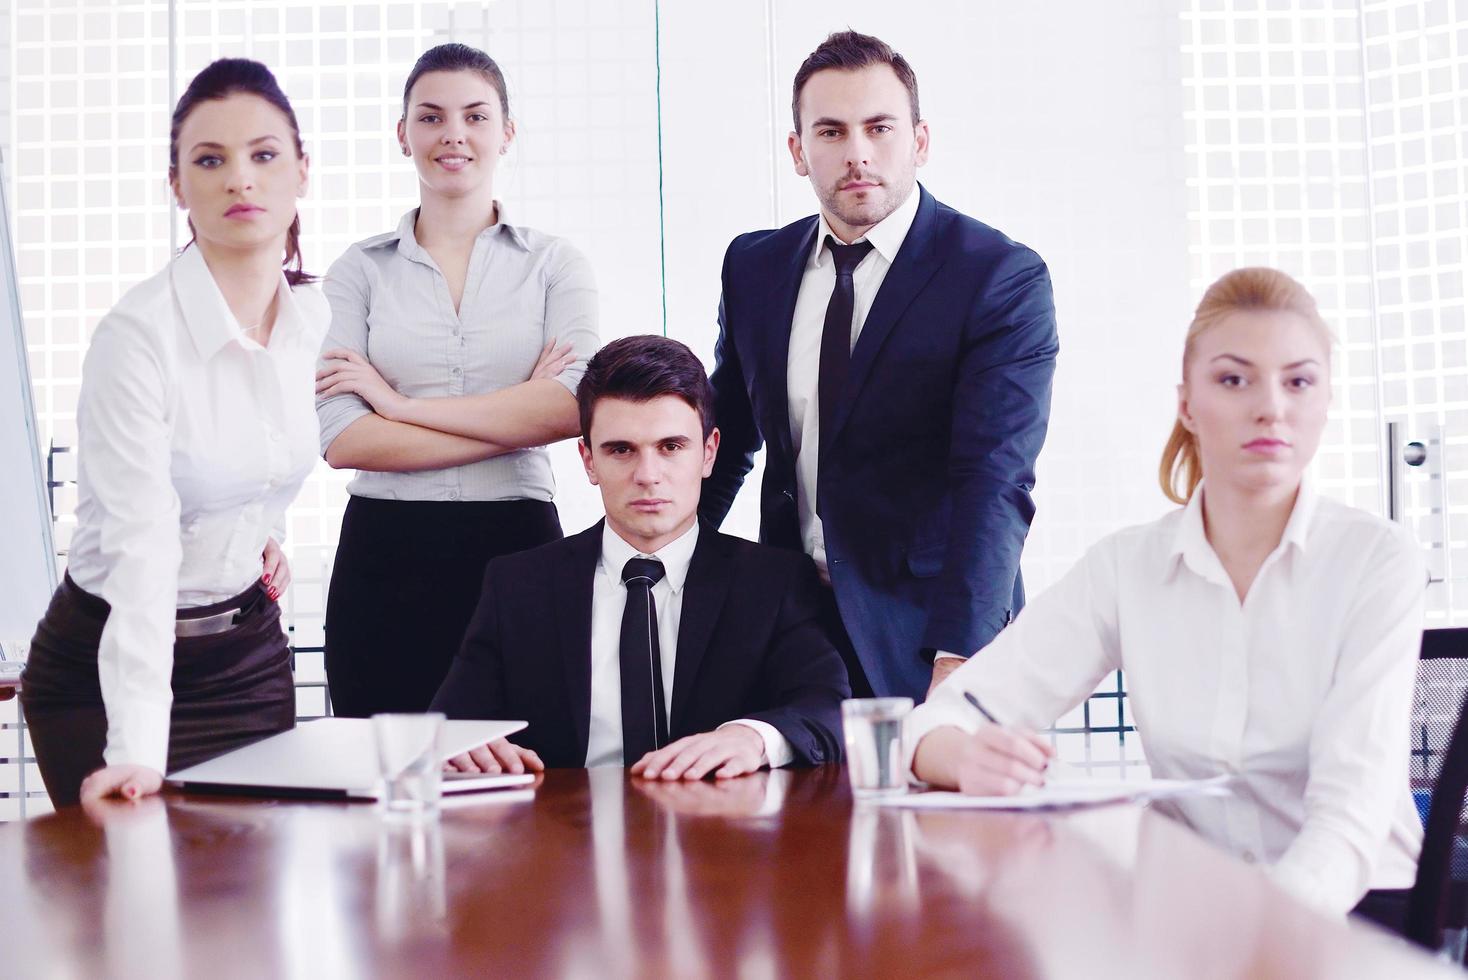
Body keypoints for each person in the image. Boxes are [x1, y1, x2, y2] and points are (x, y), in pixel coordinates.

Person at [906, 267, 1425, 918]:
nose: (1271, 406)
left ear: (1325, 399)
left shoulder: (1378, 562)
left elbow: (1351, 813)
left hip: (1359, 914)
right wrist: (964, 756)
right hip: (1198, 912)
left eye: (1299, 381)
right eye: (1234, 379)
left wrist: (1260, 938)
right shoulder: (1128, 567)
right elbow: (935, 721)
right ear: (1186, 403)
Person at [700, 30, 1058, 703]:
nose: (857, 153)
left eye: (879, 128)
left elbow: (995, 478)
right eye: (831, 132)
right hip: (788, 627)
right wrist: (663, 576)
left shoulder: (996, 277)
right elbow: (725, 443)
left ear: (920, 141)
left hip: (926, 631)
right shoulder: (754, 268)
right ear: (798, 152)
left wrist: (959, 657)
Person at [20, 59, 327, 806]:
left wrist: (244, 527)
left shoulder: (325, 323)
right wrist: (136, 752)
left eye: (263, 156)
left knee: (249, 913)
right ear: (176, 185)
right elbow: (143, 551)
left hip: (245, 659)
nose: (240, 181)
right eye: (209, 160)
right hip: (105, 669)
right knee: (137, 907)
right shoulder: (137, 337)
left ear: (301, 172)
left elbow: (262, 461)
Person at [314, 43, 599, 717]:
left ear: (506, 132)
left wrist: (397, 404)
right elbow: (344, 439)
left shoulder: (556, 265)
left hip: (518, 547)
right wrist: (514, 420)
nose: (453, 134)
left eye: (475, 116)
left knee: (530, 784)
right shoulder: (358, 271)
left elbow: (573, 408)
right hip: (384, 554)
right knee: (385, 779)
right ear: (403, 133)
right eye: (431, 116)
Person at [430, 335, 850, 778]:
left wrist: (753, 737)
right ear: (588, 460)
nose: (648, 476)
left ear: (709, 453)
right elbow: (451, 726)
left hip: (721, 835)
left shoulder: (773, 583)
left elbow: (829, 710)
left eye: (671, 447)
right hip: (558, 833)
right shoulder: (518, 586)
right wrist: (464, 748)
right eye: (621, 450)